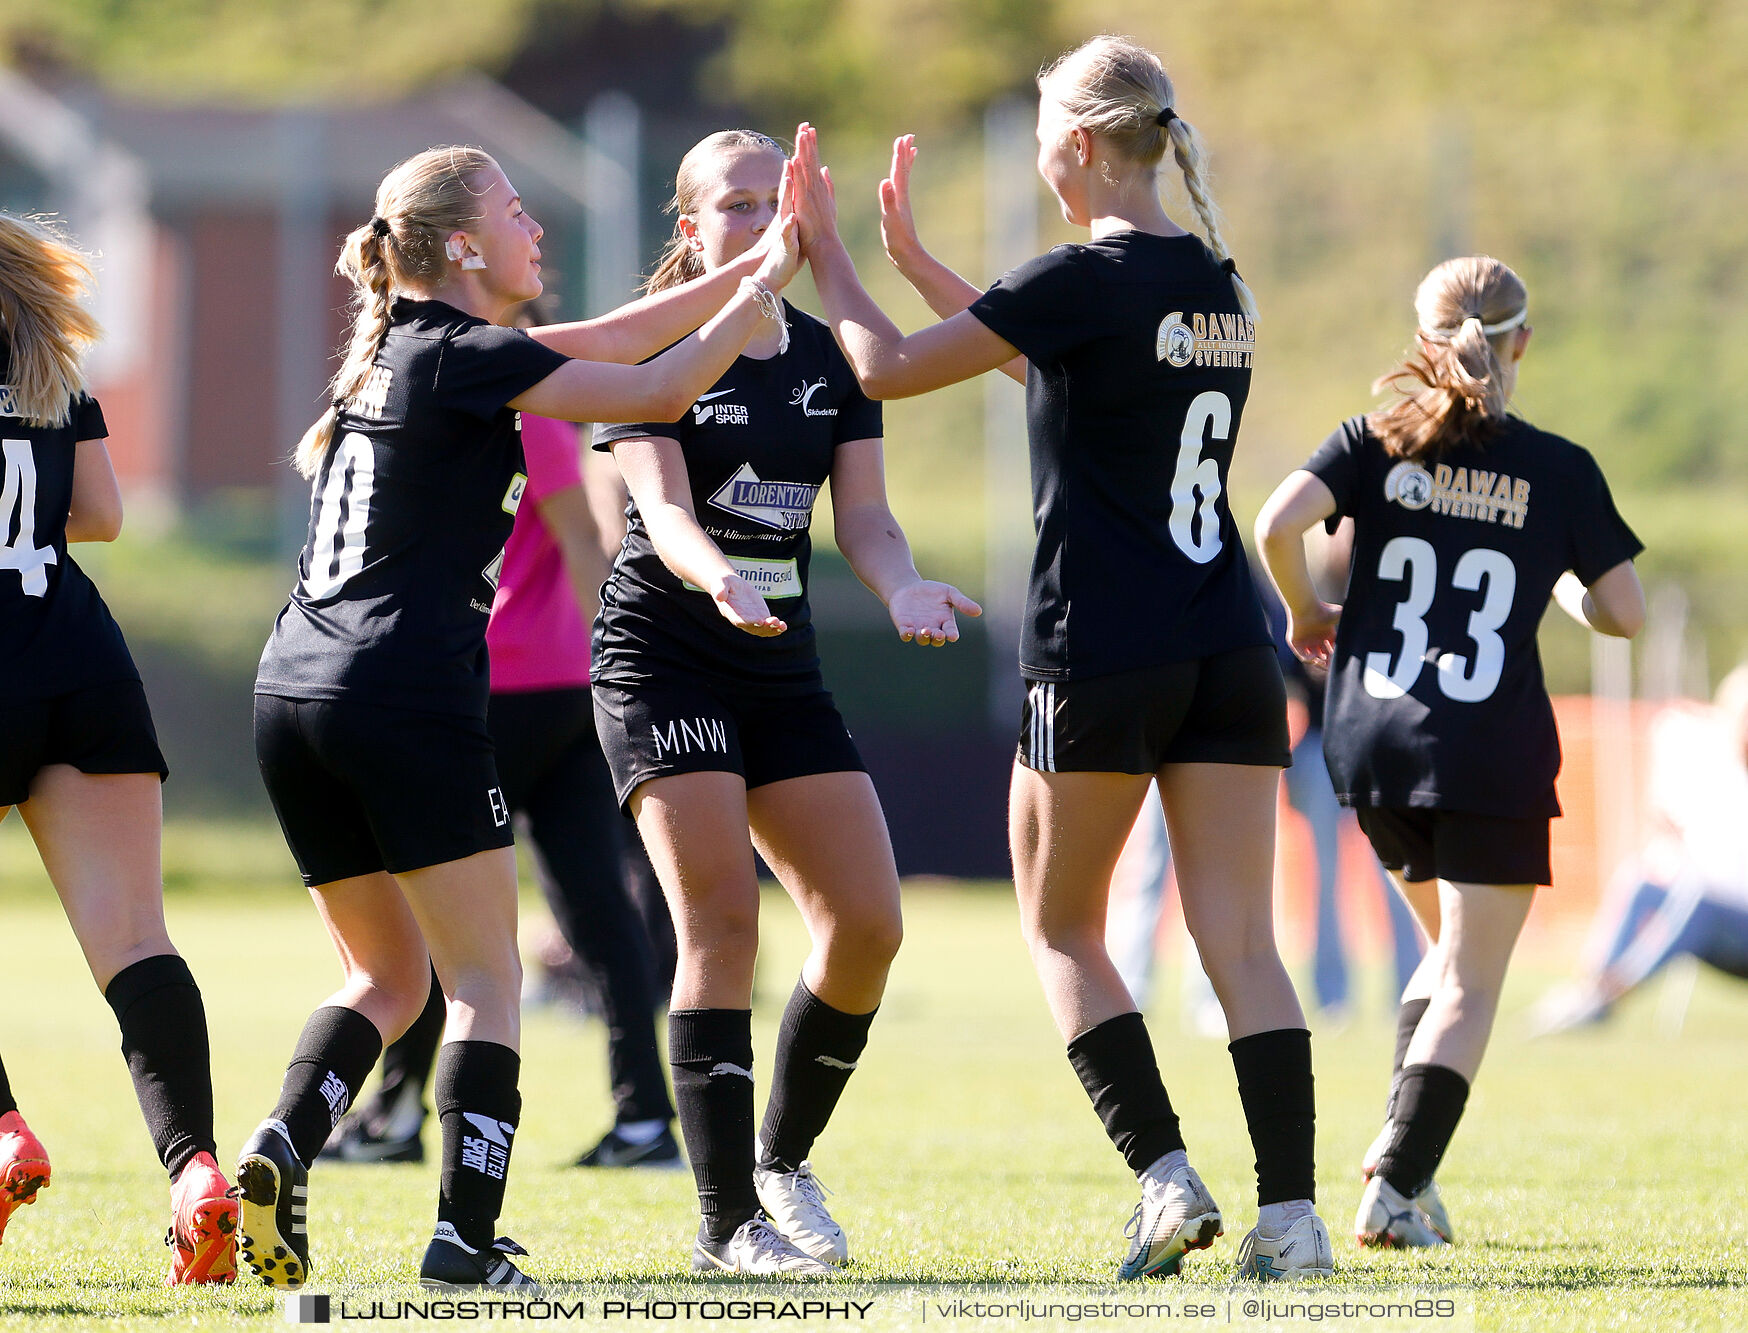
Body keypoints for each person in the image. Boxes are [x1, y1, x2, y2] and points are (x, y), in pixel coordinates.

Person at [792, 33, 1334, 1280]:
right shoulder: (1216, 280)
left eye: (1043, 131)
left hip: (1101, 652)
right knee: (1241, 942)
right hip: (1226, 648)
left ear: (1078, 145)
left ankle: (1162, 1177)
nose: (1039, 151)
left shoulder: (1080, 278)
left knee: (1059, 928)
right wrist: (930, 269)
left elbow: (879, 369)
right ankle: (1291, 1218)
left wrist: (824, 254)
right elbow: (1051, 355)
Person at [240, 143, 800, 1290]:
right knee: (486, 981)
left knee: (388, 982)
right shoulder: (469, 355)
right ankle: (461, 1244)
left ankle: (281, 1143)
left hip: (292, 689)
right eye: (511, 209)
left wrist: (753, 264)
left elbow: (613, 338)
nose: (533, 226)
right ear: (459, 244)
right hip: (403, 690)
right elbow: (652, 388)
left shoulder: (413, 349)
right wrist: (761, 288)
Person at [591, 128, 979, 1276]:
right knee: (720, 924)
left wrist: (901, 581)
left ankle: (779, 1163)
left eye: (783, 204)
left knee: (866, 924)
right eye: (740, 206)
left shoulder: (825, 358)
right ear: (691, 227)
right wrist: (710, 571)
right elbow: (656, 509)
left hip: (778, 665)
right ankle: (723, 1229)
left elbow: (861, 515)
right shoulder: (656, 343)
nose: (764, 225)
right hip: (662, 657)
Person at [1255, 255, 1646, 1249]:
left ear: (1423, 342)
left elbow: (1273, 523)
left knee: (1444, 954)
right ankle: (1394, 1178)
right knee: (1472, 978)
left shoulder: (1372, 440)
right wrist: (1553, 576)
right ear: (1520, 342)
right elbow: (1622, 613)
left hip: (1369, 738)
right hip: (1484, 748)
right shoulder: (1556, 468)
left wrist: (1307, 611)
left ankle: (1408, 1169)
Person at [322, 402, 680, 1170]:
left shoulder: (515, 408)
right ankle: (645, 1117)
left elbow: (583, 538)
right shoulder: (507, 401)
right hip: (559, 691)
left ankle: (392, 1115)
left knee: (430, 904)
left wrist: (614, 663)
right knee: (601, 913)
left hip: (496, 690)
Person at [0, 212, 237, 1283]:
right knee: (135, 936)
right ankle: (196, 1175)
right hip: (76, 653)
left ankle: (3, 1131)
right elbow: (98, 511)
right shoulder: (40, 341)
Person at [1531, 665, 1748, 1034]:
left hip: (1727, 921)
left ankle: (1610, 994)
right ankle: (1590, 989)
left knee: (1699, 901)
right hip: (1705, 909)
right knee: (1640, 879)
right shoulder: (1717, 775)